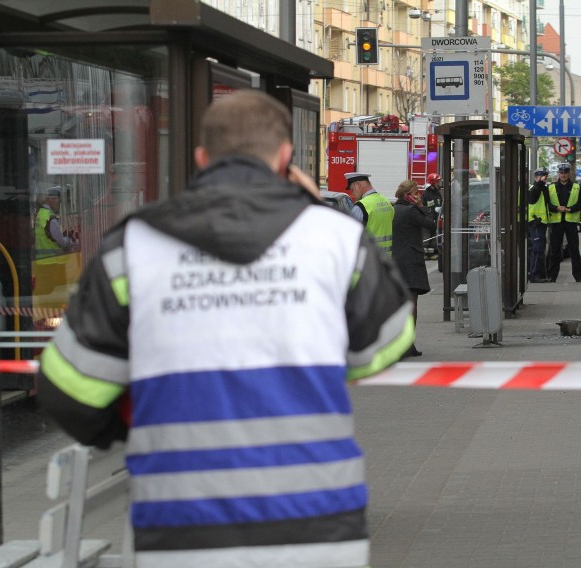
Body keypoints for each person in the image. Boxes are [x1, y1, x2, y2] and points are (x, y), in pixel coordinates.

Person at [36, 90, 415, 568]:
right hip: (317, 521)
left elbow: (68, 389)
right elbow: (389, 340)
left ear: (201, 159)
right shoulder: (333, 237)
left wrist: (137, 427)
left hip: (180, 524)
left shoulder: (132, 246)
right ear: (284, 158)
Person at [393, 179, 436, 357]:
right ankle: (408, 344)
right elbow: (430, 223)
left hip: (395, 260)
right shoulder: (411, 211)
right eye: (415, 193)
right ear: (407, 195)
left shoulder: (393, 209)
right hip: (411, 261)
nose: (418, 196)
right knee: (411, 303)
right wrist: (421, 205)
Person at [545, 163, 581, 282]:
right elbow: (547, 204)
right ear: (558, 173)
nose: (563, 175)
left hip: (570, 222)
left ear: (569, 173)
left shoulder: (576, 187)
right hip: (556, 222)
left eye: (565, 173)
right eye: (561, 173)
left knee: (574, 250)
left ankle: (578, 277)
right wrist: (557, 208)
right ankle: (552, 276)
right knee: (554, 250)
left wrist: (569, 209)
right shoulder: (551, 187)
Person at [348, 171, 394, 256]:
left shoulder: (361, 206)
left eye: (352, 189)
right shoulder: (386, 202)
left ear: (358, 185)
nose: (352, 193)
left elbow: (351, 237)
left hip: (369, 260)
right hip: (387, 260)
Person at [34, 184, 76, 259]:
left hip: (41, 260)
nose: (59, 205)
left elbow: (47, 235)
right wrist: (70, 239)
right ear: (52, 200)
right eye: (59, 201)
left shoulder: (40, 213)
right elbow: (62, 243)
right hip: (53, 261)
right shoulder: (51, 218)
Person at [527, 167, 550, 283]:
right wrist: (539, 183)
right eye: (541, 176)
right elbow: (533, 197)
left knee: (540, 249)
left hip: (542, 222)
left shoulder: (544, 189)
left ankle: (540, 274)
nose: (544, 179)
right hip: (535, 222)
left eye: (545, 176)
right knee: (537, 249)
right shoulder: (534, 188)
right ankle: (534, 275)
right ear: (536, 177)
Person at [421, 173, 442, 258]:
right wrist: (428, 217)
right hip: (427, 219)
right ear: (433, 182)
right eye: (437, 181)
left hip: (436, 218)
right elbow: (423, 207)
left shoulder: (437, 193)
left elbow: (440, 202)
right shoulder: (426, 194)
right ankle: (425, 254)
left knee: (434, 235)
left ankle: (433, 253)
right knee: (426, 236)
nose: (438, 183)